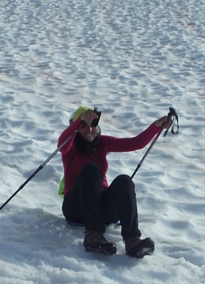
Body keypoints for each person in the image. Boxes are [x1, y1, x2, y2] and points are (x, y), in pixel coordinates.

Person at [58, 106, 172, 257]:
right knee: (91, 169)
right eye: (84, 125)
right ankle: (93, 236)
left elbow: (135, 143)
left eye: (93, 125)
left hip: (101, 211)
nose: (89, 130)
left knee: (124, 180)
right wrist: (78, 121)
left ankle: (132, 240)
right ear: (76, 127)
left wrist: (156, 126)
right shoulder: (70, 145)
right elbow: (62, 145)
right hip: (75, 209)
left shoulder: (102, 142)